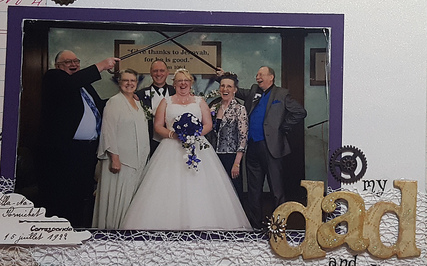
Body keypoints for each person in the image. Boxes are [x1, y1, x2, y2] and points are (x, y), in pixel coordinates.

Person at [120, 68, 251, 231]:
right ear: (174, 84)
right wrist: (173, 134)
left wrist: (193, 134)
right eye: (179, 81)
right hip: (171, 147)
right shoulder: (166, 101)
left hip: (197, 146)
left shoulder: (199, 101)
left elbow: (208, 124)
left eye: (186, 81)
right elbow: (158, 126)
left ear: (191, 83)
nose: (183, 84)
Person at [37, 50, 118, 228]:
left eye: (76, 61)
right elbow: (69, 84)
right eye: (68, 62)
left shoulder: (84, 85)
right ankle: (59, 231)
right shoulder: (53, 78)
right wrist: (102, 65)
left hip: (87, 151)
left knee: (83, 194)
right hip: (66, 152)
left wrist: (123, 99)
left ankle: (78, 228)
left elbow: (100, 105)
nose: (73, 64)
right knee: (63, 195)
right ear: (58, 66)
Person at [234, 66, 306, 229]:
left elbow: (300, 112)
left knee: (276, 189)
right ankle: (255, 225)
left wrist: (283, 127)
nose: (257, 77)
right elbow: (235, 90)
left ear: (271, 77)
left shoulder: (281, 94)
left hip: (271, 147)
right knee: (253, 190)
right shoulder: (253, 91)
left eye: (261, 74)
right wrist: (222, 76)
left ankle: (279, 225)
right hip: (252, 147)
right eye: (257, 74)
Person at [92, 69, 150, 229]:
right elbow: (108, 131)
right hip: (121, 161)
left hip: (137, 160)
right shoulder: (114, 102)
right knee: (117, 198)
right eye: (126, 80)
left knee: (130, 199)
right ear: (119, 83)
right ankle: (112, 229)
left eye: (132, 80)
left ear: (137, 83)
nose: (129, 83)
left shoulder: (137, 103)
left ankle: (125, 229)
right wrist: (115, 158)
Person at [208, 73, 248, 205]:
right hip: (215, 156)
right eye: (222, 86)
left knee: (234, 191)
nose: (225, 89)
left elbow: (243, 137)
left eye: (229, 86)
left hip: (231, 156)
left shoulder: (239, 109)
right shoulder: (214, 107)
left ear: (235, 89)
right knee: (217, 190)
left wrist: (237, 163)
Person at [135, 59, 176, 155]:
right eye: (155, 71)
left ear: (167, 73)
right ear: (150, 73)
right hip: (150, 142)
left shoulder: (176, 92)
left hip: (174, 141)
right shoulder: (140, 95)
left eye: (162, 71)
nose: (158, 74)